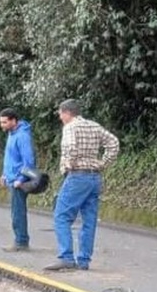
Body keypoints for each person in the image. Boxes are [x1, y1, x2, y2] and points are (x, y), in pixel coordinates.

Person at [45, 99, 120, 271]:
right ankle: (84, 260)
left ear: (67, 112)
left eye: (60, 114)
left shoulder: (70, 127)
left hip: (77, 176)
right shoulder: (94, 126)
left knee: (61, 216)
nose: (60, 117)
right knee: (89, 220)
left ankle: (66, 257)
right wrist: (103, 163)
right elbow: (114, 143)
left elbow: (70, 147)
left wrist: (68, 164)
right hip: (94, 178)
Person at [0, 108, 36, 252]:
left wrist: (21, 179)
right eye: (1, 122)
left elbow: (29, 161)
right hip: (11, 178)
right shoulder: (11, 133)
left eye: (5, 122)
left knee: (18, 212)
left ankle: (21, 241)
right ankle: (20, 239)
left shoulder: (22, 136)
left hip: (18, 181)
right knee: (15, 211)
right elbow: (10, 157)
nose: (2, 125)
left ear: (14, 120)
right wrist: (4, 174)